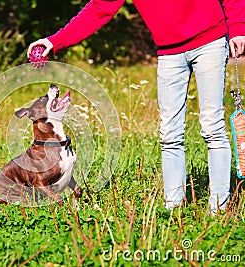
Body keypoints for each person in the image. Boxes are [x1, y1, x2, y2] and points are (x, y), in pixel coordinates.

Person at [27, 0, 245, 213]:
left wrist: (237, 27)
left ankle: (219, 208)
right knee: (169, 132)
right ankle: (173, 208)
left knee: (212, 126)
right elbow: (99, 8)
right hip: (169, 53)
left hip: (210, 41)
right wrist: (55, 41)